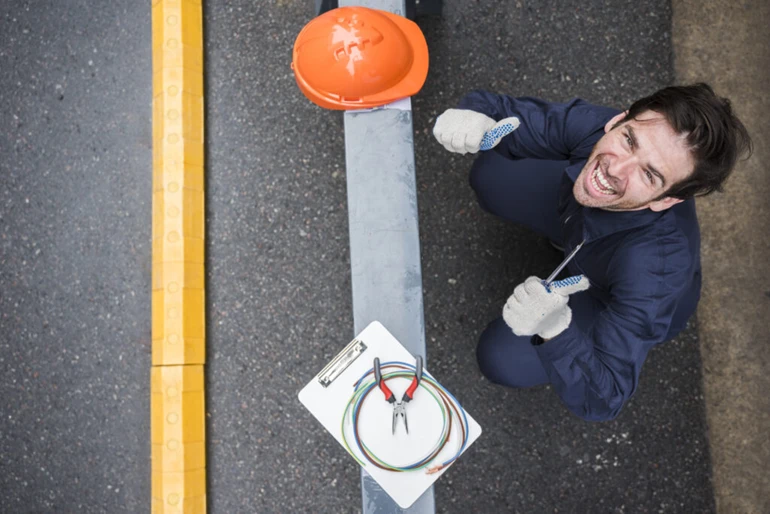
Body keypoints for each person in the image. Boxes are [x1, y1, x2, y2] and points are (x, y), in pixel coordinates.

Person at [432, 83, 752, 421]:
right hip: (586, 227)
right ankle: (569, 242)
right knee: (493, 173)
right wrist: (473, 116)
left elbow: (604, 397)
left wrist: (555, 328)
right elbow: (504, 112)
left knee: (500, 358)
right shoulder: (598, 127)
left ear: (667, 200)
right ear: (618, 120)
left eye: (649, 174)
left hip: (610, 294)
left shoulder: (656, 273)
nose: (617, 168)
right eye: (629, 140)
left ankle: (571, 280)